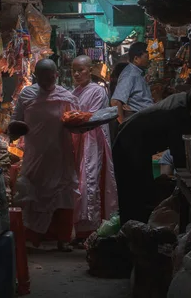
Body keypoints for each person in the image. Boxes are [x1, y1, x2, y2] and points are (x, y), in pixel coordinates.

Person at [112, 84, 191, 225]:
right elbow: (179, 152)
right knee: (135, 193)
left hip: (137, 146)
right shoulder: (178, 111)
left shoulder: (187, 103)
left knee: (142, 191)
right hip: (128, 145)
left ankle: (137, 229)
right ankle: (132, 233)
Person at [9, 59, 79, 252]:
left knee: (63, 197)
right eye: (43, 78)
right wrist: (13, 130)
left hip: (61, 156)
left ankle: (63, 239)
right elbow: (15, 121)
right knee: (33, 195)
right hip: (35, 157)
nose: (48, 82)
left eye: (51, 77)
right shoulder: (27, 94)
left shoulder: (66, 96)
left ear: (56, 75)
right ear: (36, 77)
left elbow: (76, 121)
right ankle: (33, 239)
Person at [70, 55, 118, 246]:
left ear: (90, 70)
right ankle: (80, 231)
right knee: (79, 184)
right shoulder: (75, 91)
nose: (76, 74)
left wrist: (73, 119)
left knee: (90, 182)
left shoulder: (97, 91)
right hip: (79, 141)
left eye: (80, 70)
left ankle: (92, 229)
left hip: (92, 142)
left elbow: (92, 117)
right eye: (73, 70)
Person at [111, 42, 154, 123]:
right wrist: (123, 124)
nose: (149, 60)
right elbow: (115, 102)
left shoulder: (137, 73)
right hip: (138, 120)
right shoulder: (130, 74)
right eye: (146, 57)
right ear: (136, 59)